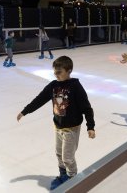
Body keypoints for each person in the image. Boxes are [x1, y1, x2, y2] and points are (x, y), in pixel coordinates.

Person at [16, 56, 95, 190]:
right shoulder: (54, 85)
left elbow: (86, 107)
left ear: (69, 70)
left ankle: (73, 180)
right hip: (58, 127)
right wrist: (25, 111)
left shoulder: (75, 86)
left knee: (68, 157)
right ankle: (63, 175)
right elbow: (39, 99)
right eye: (55, 72)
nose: (56, 74)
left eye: (59, 72)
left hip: (71, 128)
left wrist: (90, 127)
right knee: (59, 154)